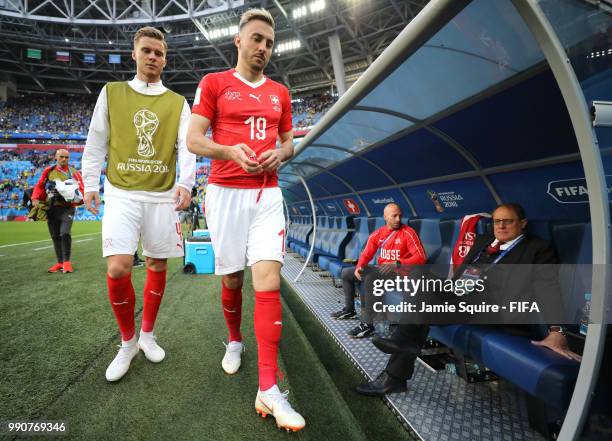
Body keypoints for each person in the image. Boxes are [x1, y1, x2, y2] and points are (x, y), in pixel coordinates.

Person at [187, 9, 304, 431]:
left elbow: (289, 141)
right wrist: (229, 151)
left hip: (268, 194)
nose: (263, 49)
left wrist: (282, 152)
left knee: (268, 279)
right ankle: (235, 340)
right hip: (225, 193)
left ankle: (269, 388)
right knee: (233, 278)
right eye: (256, 39)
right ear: (238, 41)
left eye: (269, 43)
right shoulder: (214, 84)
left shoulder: (280, 93)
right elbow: (194, 139)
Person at [356, 203, 582, 397]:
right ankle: (402, 349)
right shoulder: (483, 241)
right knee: (418, 275)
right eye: (496, 221)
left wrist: (556, 330)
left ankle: (395, 372)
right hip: (460, 295)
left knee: (419, 312)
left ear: (523, 223)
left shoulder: (537, 249)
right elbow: (461, 275)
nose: (500, 226)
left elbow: (547, 287)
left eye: (508, 221)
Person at [82, 26, 196, 382]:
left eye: (159, 53)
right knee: (118, 267)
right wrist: (89, 183)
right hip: (122, 193)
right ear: (134, 54)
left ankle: (147, 334)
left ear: (165, 58)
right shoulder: (112, 93)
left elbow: (187, 146)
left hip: (161, 195)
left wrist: (186, 183)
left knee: (157, 265)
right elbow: (96, 140)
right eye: (146, 51)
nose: (152, 57)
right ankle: (127, 341)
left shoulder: (178, 102)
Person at [330, 203, 427, 339]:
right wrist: (359, 267)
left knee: (370, 278)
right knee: (347, 273)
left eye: (400, 216)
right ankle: (349, 310)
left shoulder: (408, 232)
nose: (398, 219)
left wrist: (398, 263)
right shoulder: (379, 233)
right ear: (385, 217)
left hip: (400, 273)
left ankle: (367, 325)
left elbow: (421, 257)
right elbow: (366, 253)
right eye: (394, 216)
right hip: (383, 270)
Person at [32, 149, 84, 273]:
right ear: (56, 157)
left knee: (65, 233)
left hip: (68, 208)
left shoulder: (74, 172)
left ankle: (66, 262)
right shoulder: (48, 171)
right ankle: (60, 263)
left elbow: (82, 188)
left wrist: (76, 197)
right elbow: (39, 185)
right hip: (51, 208)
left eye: (66, 157)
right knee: (55, 236)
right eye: (61, 157)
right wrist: (34, 198)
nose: (64, 159)